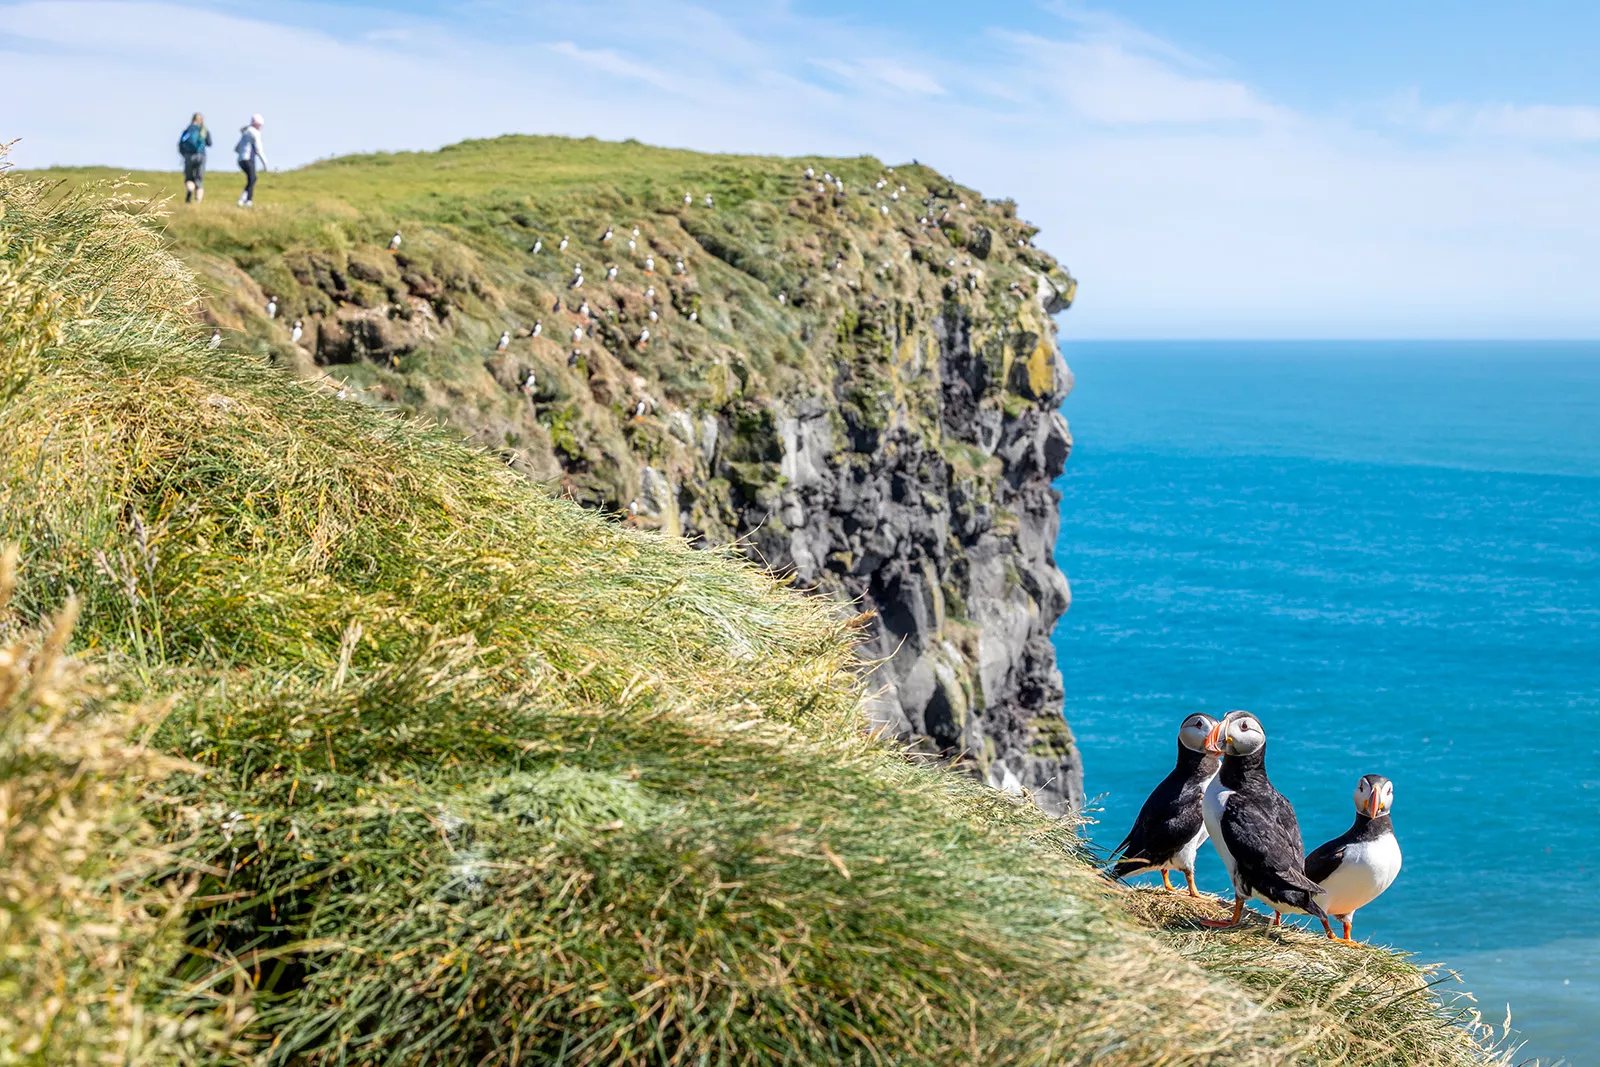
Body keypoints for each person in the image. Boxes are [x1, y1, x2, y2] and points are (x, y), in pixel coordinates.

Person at [177, 112, 212, 203]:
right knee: (199, 180)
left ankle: (190, 189)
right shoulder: (203, 130)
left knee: (189, 178)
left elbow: (180, 144)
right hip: (201, 155)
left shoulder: (187, 130)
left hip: (188, 156)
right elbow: (209, 143)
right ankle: (197, 203)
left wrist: (183, 154)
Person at [235, 114, 268, 207]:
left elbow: (237, 148)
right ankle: (248, 201)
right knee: (252, 178)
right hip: (249, 159)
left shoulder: (245, 133)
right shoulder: (255, 133)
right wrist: (265, 162)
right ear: (257, 124)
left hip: (240, 160)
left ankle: (242, 199)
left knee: (252, 179)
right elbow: (259, 149)